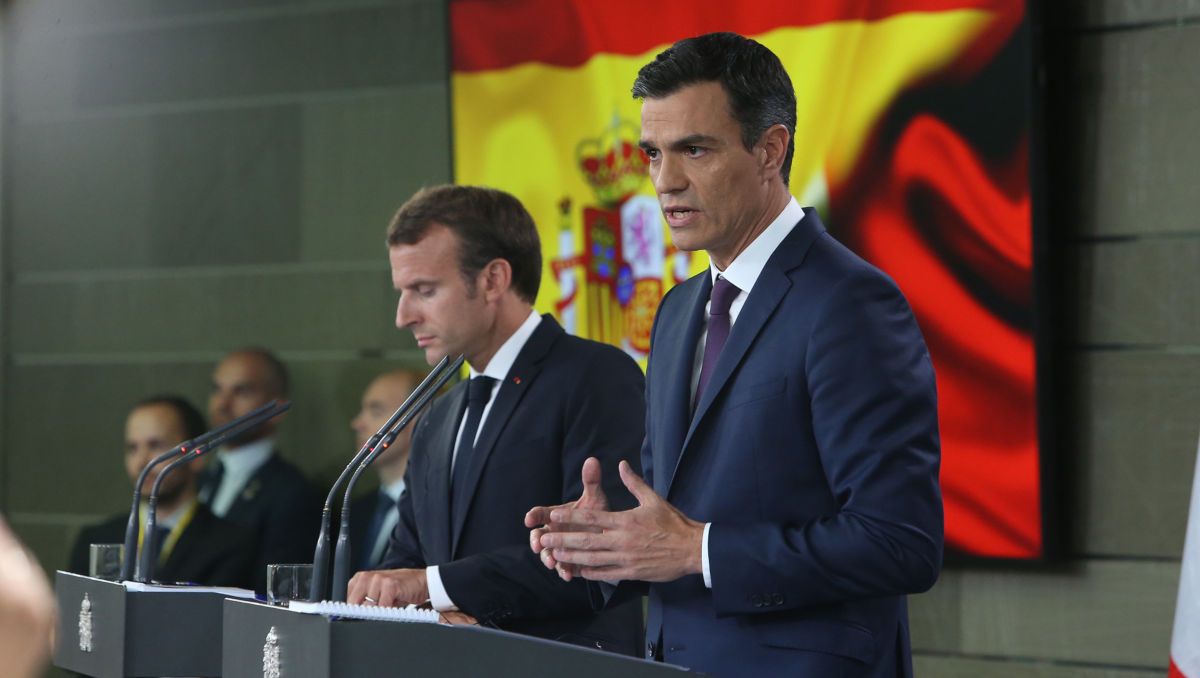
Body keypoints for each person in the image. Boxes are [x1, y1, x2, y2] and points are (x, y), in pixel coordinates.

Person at [527, 32, 943, 676]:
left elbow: (900, 543)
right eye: (653, 154)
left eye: (694, 150)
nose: (665, 182)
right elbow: (675, 517)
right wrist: (613, 540)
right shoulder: (676, 311)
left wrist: (699, 550)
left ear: (770, 149)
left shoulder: (850, 303)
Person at [346, 185, 646, 655]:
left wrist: (435, 588)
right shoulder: (438, 413)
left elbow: (603, 564)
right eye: (402, 293)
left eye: (424, 290)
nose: (404, 316)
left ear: (492, 280)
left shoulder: (595, 376)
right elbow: (409, 557)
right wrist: (406, 594)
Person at [69, 396, 256, 588]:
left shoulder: (232, 545)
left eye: (156, 446)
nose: (141, 461)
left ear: (196, 457)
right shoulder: (95, 539)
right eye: (132, 448)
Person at [198, 349, 319, 590]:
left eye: (241, 391)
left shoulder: (293, 493)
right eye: (217, 389)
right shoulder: (198, 479)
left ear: (277, 408)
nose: (222, 404)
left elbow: (278, 590)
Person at [347, 370, 421, 571]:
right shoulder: (356, 508)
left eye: (375, 411)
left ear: (416, 422)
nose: (357, 424)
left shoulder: (435, 509)